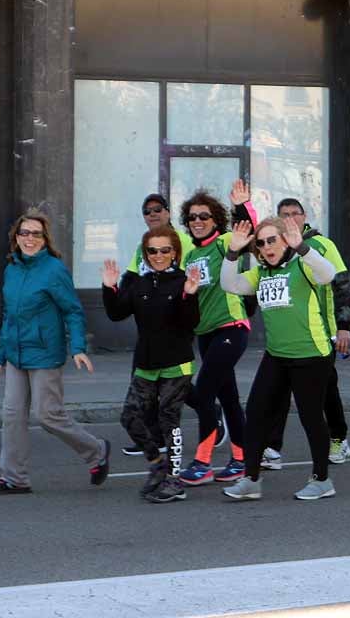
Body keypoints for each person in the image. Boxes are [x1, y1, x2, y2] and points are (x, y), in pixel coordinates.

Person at [0, 211, 110, 495]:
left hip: (44, 353)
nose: (29, 239)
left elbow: (73, 311)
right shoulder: (12, 269)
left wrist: (77, 347)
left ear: (45, 239)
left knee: (48, 415)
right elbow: (10, 316)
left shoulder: (54, 270)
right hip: (17, 354)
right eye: (24, 233)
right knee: (12, 414)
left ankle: (97, 451)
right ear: (16, 238)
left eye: (36, 234)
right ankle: (14, 479)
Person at [218, 216, 339, 501]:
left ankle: (322, 479)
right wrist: (233, 252)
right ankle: (250, 479)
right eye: (260, 243)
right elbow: (230, 284)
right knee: (258, 414)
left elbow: (328, 275)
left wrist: (302, 248)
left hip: (312, 354)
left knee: (311, 417)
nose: (266, 246)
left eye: (272, 239)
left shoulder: (302, 265)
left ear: (285, 240)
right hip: (277, 356)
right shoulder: (261, 274)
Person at [103, 225, 202, 504]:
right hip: (146, 364)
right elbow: (115, 313)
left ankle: (174, 481)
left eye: (165, 250)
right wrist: (110, 287)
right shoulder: (139, 284)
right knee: (129, 417)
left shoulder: (183, 281)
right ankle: (157, 463)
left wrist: (190, 296)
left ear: (174, 253)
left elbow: (190, 323)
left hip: (176, 363)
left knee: (169, 421)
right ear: (145, 255)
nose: (158, 255)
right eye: (152, 251)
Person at [261, 198, 350, 470]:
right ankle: (272, 447)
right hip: (288, 336)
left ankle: (338, 437)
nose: (290, 218)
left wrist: (343, 326)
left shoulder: (322, 245)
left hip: (321, 334)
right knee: (278, 391)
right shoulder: (275, 246)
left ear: (304, 216)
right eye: (284, 215)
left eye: (295, 214)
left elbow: (342, 284)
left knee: (326, 391)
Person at [176, 181, 259, 486]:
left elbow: (248, 230)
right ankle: (241, 458)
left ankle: (202, 462)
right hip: (205, 333)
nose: (197, 222)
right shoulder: (188, 258)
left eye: (204, 216)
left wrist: (243, 205)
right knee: (229, 398)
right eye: (192, 218)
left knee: (204, 391)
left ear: (215, 221)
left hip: (231, 327)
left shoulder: (225, 242)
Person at [122, 193, 199, 457]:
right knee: (146, 392)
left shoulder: (184, 242)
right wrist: (113, 290)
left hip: (177, 328)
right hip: (149, 331)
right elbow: (130, 280)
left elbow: (189, 283)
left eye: (157, 209)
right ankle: (152, 441)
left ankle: (208, 416)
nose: (152, 214)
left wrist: (189, 296)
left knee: (173, 396)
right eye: (147, 211)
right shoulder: (143, 246)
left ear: (167, 212)